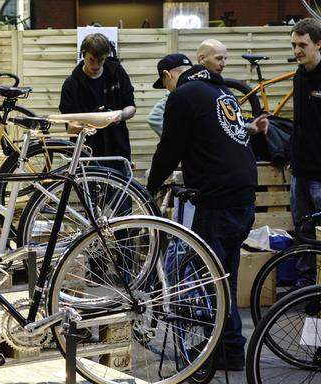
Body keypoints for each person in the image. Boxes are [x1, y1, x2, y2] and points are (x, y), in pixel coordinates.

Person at [146, 53, 269, 370]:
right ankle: (230, 350)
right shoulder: (221, 90)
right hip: (243, 194)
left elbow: (169, 148)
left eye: (165, 84)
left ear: (170, 75)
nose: (167, 91)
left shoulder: (184, 96)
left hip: (217, 198)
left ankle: (215, 350)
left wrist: (150, 187)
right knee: (224, 274)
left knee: (210, 278)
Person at [59, 33, 136, 172]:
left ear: (106, 56)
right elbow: (70, 129)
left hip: (117, 146)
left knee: (121, 191)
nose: (95, 65)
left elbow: (131, 107)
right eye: (91, 59)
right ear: (83, 55)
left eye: (100, 60)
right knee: (90, 192)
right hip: (87, 151)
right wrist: (90, 122)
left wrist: (120, 115)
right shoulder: (71, 85)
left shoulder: (116, 72)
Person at [289, 18, 321, 287]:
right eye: (293, 45)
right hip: (300, 171)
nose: (297, 50)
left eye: (302, 44)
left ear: (318, 44)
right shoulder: (300, 75)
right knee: (303, 232)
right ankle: (304, 289)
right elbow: (300, 123)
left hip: (320, 175)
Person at [147, 39, 228, 136]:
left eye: (164, 83)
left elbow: (154, 118)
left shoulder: (179, 94)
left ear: (167, 76)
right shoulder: (203, 86)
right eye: (219, 58)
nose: (223, 64)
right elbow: (155, 117)